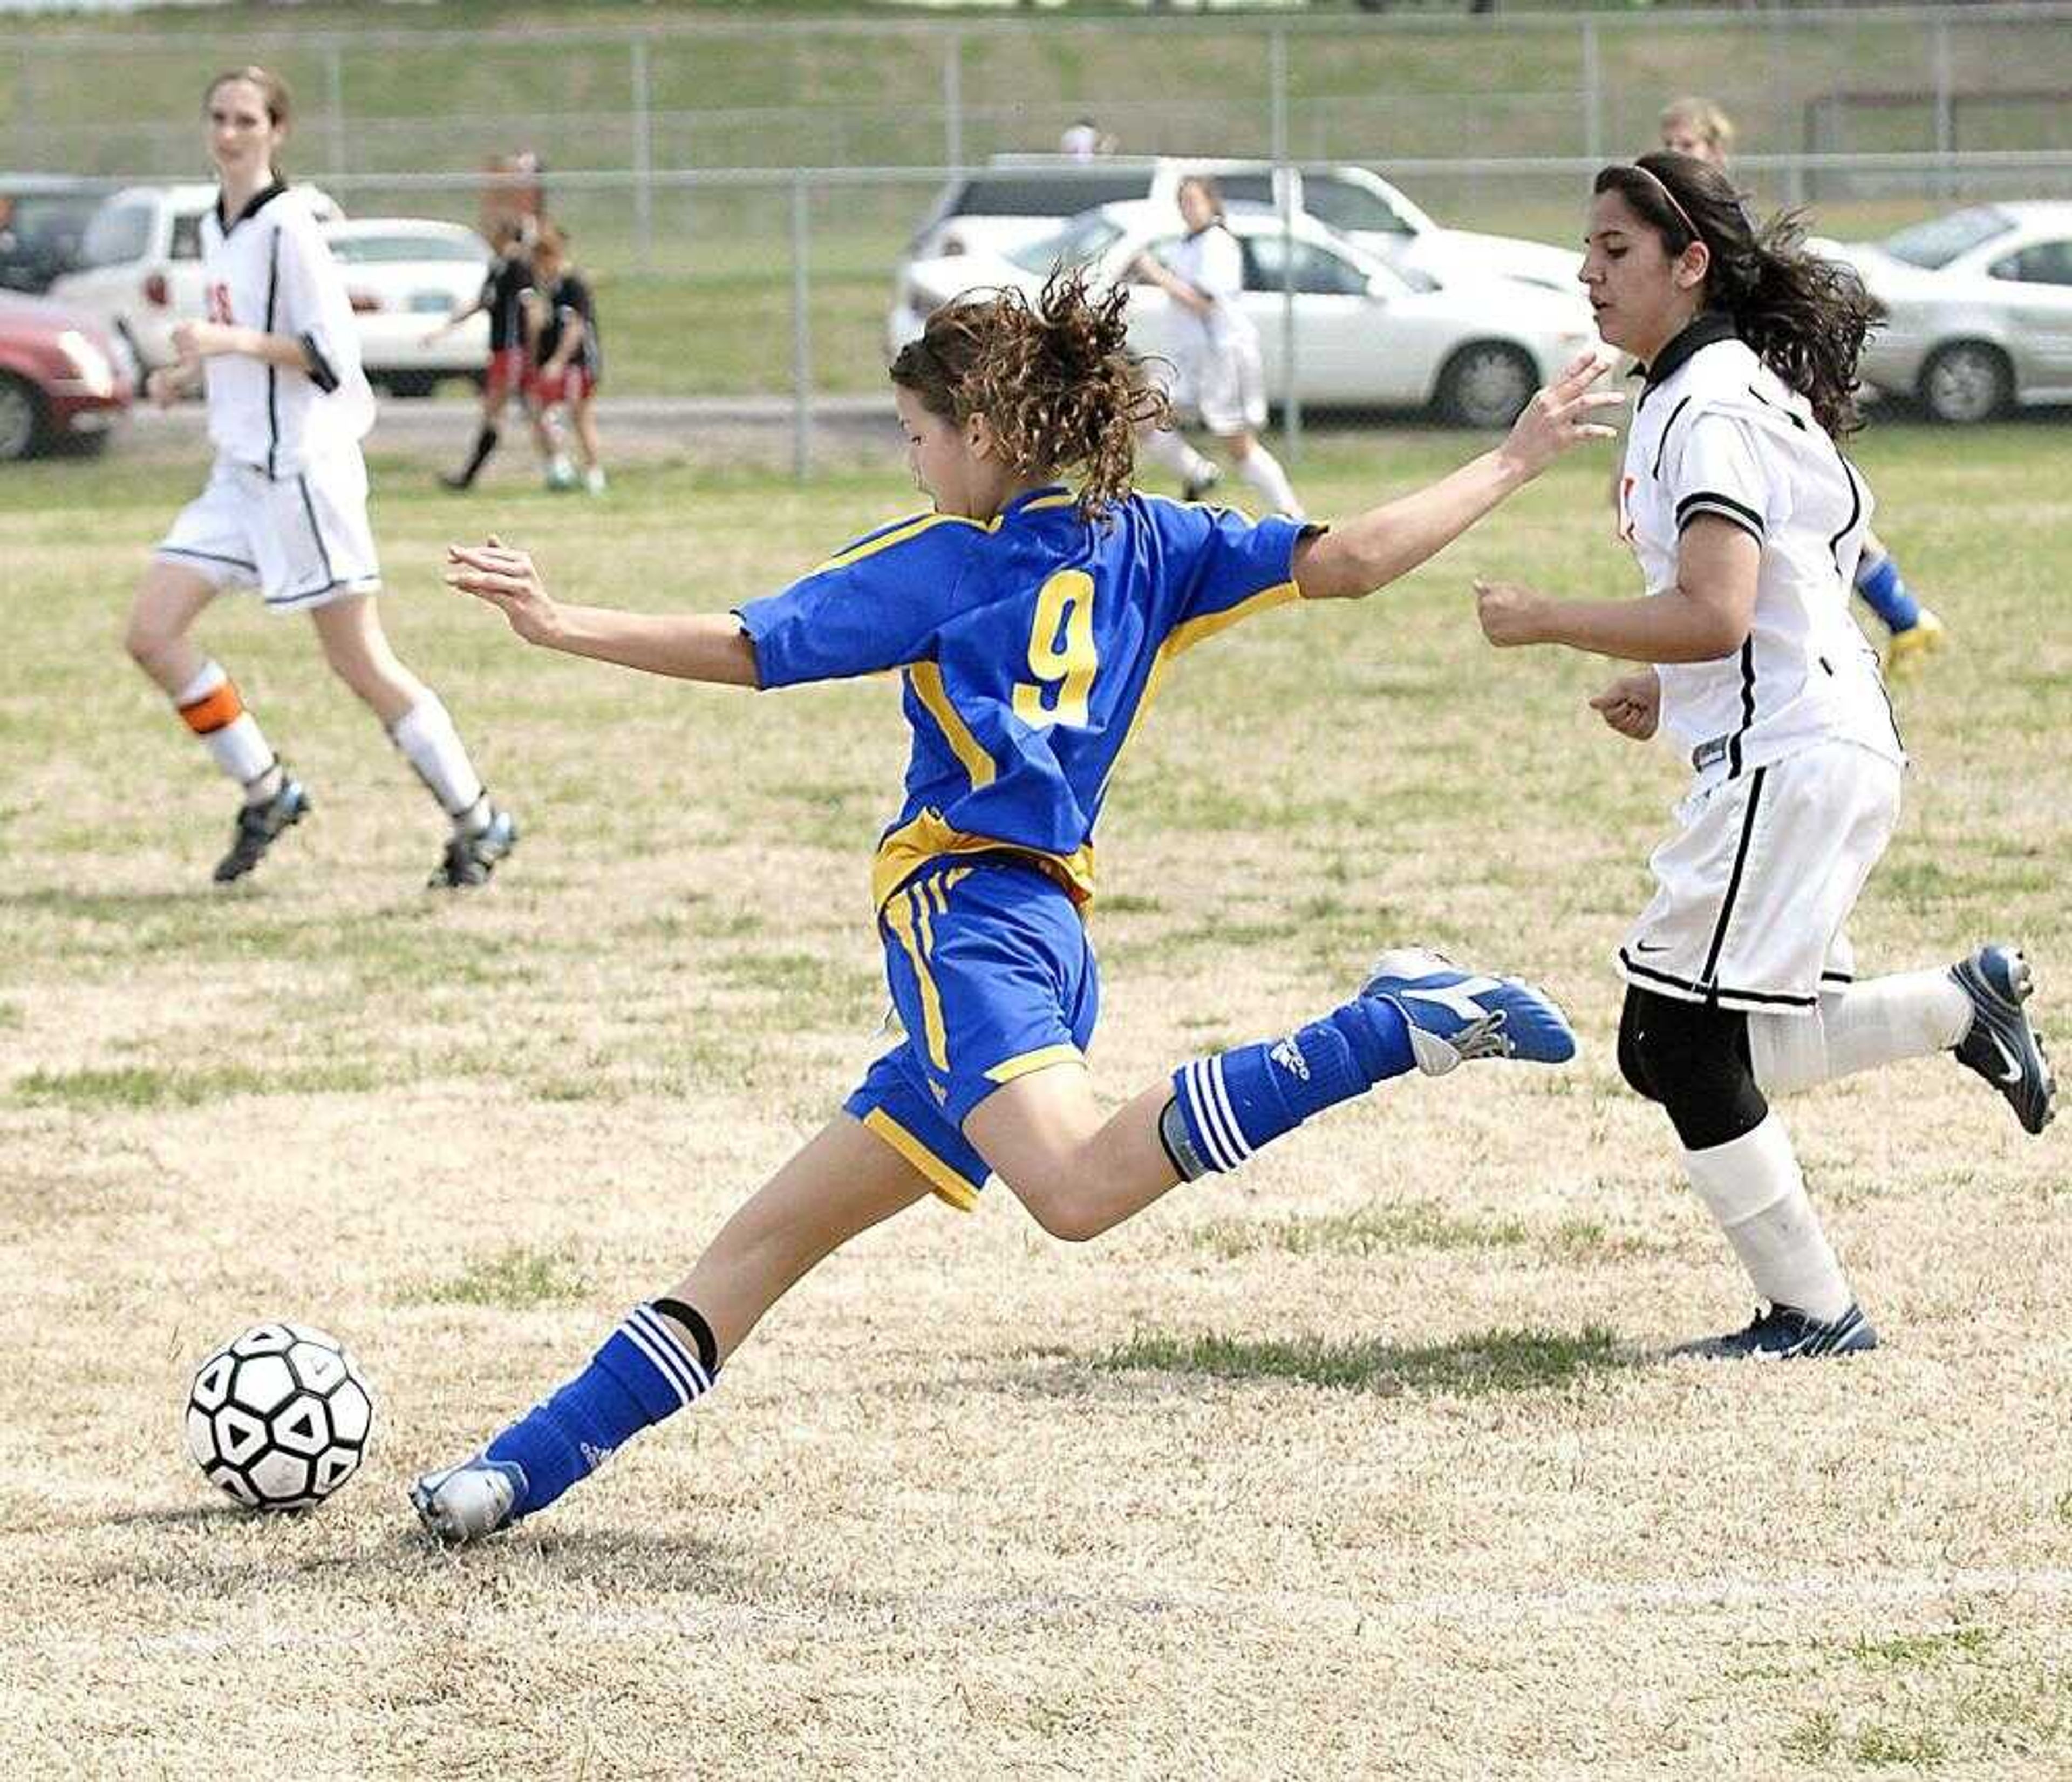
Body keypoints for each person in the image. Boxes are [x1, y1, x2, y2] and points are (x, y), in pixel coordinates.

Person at [411, 272, 1621, 1542]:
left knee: (1079, 1189)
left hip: (966, 918)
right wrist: (1510, 457)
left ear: (983, 437)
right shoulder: (1159, 539)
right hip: (1046, 934)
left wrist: (559, 623)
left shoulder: (946, 559)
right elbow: (1358, 560)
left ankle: (1384, 1025)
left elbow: (748, 645)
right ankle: (509, 1474)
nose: (915, 462)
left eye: (915, 436)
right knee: (760, 1248)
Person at [1472, 153, 2055, 1360]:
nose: (1589, 274)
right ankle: (1962, 1003)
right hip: (1820, 740)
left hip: (1791, 753)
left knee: (1670, 1041)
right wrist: (1664, 677)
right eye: (1587, 251)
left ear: (1692, 266)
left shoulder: (1711, 401)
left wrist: (1551, 618)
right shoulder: (1720, 384)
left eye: (1617, 252)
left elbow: (1725, 608)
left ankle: (1814, 1310)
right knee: (1723, 1032)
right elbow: (1795, 580)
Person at [124, 67, 519, 889]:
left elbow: (329, 357)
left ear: (276, 131)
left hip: (304, 474)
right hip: (238, 476)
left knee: (361, 663)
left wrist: (231, 343)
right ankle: (267, 788)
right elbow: (238, 342)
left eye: (245, 120)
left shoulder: (291, 228)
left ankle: (478, 817)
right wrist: (186, 374)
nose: (229, 133)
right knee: (152, 634)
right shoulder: (215, 223)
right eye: (219, 118)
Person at [1657, 97, 1948, 679]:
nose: (1675, 153)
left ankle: (1893, 622)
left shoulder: (1719, 222)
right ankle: (1905, 618)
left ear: (1716, 150)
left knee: (1802, 521)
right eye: (1669, 142)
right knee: (1798, 520)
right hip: (1730, 393)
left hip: (1757, 393)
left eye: (1687, 144)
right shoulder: (1677, 222)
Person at [1131, 175, 1305, 519]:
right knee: (1144, 417)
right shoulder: (1187, 244)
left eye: (1193, 200)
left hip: (1224, 355)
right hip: (1191, 359)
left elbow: (1203, 301)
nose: (1187, 209)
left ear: (1211, 203)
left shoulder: (1217, 243)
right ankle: (1199, 474)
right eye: (1182, 202)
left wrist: (1157, 274)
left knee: (1239, 445)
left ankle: (1292, 515)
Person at [430, 215, 535, 492]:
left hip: (513, 350)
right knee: (508, 411)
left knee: (501, 411)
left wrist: (532, 352)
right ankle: (469, 475)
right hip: (499, 349)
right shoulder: (497, 266)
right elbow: (482, 302)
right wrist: (445, 329)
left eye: (494, 231)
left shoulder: (518, 267)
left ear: (506, 235)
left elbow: (531, 310)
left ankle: (469, 476)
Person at [523, 224, 606, 495]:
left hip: (577, 363)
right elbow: (541, 328)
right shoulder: (548, 288)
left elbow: (576, 327)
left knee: (580, 416)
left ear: (549, 257)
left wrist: (558, 361)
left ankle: (594, 474)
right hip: (550, 363)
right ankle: (559, 467)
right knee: (539, 413)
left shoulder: (573, 283)